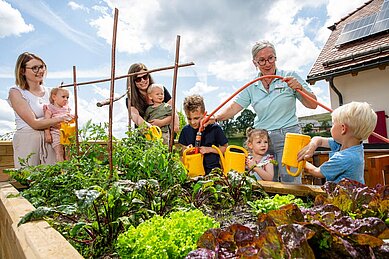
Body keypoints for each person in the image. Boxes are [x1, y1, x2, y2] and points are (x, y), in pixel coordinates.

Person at [214, 40, 318, 183]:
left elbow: (313, 104)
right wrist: (215, 117)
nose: (267, 63)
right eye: (262, 60)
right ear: (254, 63)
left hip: (288, 136)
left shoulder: (289, 77)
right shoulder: (252, 85)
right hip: (262, 139)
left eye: (271, 58)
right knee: (263, 181)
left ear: (276, 57)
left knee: (291, 180)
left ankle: (293, 206)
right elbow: (233, 108)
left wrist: (299, 88)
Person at [7, 52, 72, 168]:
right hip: (28, 142)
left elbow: (63, 111)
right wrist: (61, 118)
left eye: (41, 66)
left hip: (51, 141)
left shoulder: (50, 92)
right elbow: (34, 123)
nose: (40, 71)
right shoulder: (16, 92)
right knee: (29, 180)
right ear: (22, 71)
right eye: (34, 68)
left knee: (53, 179)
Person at [297, 102, 377, 184]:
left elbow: (316, 172)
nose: (331, 127)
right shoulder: (349, 146)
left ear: (343, 129)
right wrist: (312, 145)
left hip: (345, 196)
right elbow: (319, 140)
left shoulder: (345, 157)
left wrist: (299, 159)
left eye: (333, 124)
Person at [179, 94, 228, 174]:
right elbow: (183, 152)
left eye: (196, 118)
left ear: (204, 114)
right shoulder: (185, 130)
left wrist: (209, 149)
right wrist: (188, 150)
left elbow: (225, 148)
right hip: (194, 172)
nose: (192, 122)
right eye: (189, 118)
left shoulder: (215, 128)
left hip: (213, 171)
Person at [126, 63, 179, 132]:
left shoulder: (160, 90)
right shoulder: (131, 99)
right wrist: (149, 127)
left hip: (165, 133)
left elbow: (173, 112)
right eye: (138, 79)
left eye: (145, 77)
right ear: (133, 81)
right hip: (145, 135)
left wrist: (161, 122)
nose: (143, 80)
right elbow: (135, 116)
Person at [44, 87, 72, 162]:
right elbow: (46, 122)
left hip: (67, 133)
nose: (66, 99)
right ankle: (62, 170)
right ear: (54, 97)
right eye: (63, 97)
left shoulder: (67, 109)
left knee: (68, 152)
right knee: (59, 151)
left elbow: (70, 119)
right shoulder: (50, 108)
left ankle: (69, 169)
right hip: (56, 132)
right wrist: (47, 134)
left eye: (67, 97)